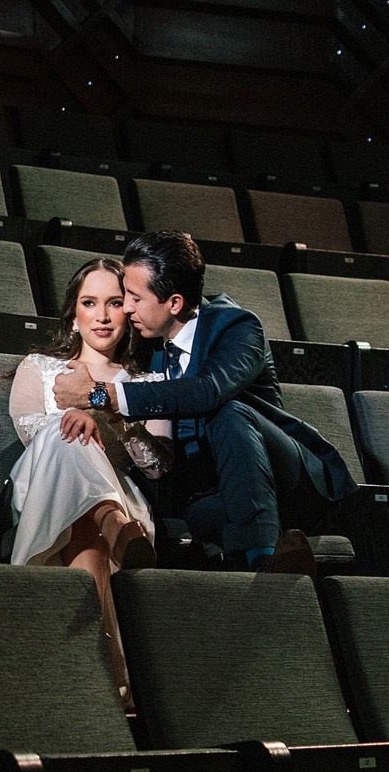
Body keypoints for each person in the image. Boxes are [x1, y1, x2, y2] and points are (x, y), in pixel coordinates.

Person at [52, 230, 355, 573]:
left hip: (283, 477)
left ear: (175, 303)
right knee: (198, 515)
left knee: (230, 411)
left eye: (134, 298)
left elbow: (207, 390)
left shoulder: (237, 328)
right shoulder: (148, 341)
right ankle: (260, 561)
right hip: (214, 489)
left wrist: (102, 395)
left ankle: (265, 559)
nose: (126, 308)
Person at [8, 257, 172, 673]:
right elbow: (31, 434)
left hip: (118, 491)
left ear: (129, 312)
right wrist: (80, 417)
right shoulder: (39, 368)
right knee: (67, 439)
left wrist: (110, 412)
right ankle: (112, 525)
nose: (102, 316)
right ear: (73, 314)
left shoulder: (148, 386)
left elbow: (156, 467)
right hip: (42, 483)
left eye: (115, 303)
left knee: (85, 512)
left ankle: (103, 658)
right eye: (89, 303)